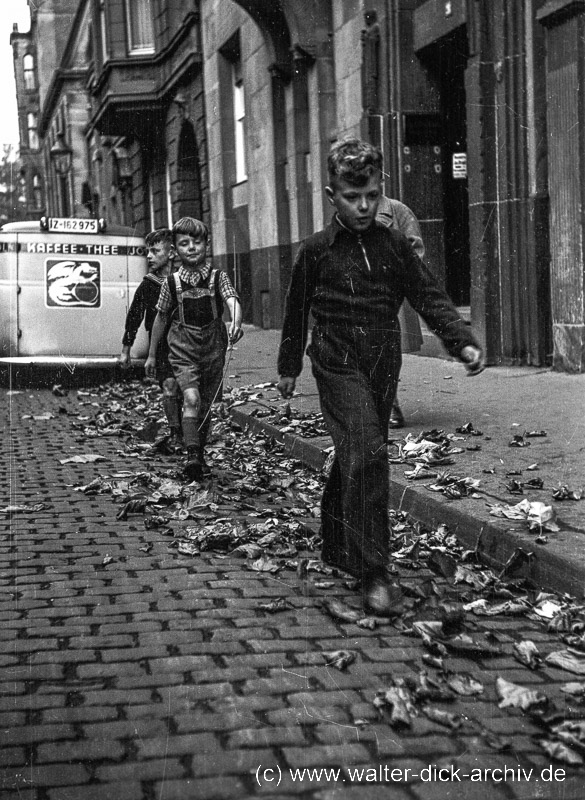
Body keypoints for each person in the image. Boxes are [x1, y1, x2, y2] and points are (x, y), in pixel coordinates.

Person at [277, 138, 484, 616]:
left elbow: (428, 295)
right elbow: (295, 311)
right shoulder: (316, 251)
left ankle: (336, 543)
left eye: (371, 194)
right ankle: (374, 572)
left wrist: (461, 340)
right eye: (353, 198)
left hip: (382, 356)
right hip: (334, 358)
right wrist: (288, 367)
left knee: (357, 449)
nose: (365, 206)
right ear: (332, 197)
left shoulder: (393, 245)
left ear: (380, 188)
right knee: (368, 448)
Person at [145, 217, 243, 481]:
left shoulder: (217, 278)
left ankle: (198, 450)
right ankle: (192, 455)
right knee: (191, 399)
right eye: (184, 243)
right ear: (175, 250)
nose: (191, 248)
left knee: (206, 405)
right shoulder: (171, 283)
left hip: (212, 350)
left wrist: (235, 320)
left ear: (206, 244)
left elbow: (231, 299)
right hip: (183, 350)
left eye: (197, 242)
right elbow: (161, 318)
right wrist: (152, 354)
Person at [119, 228, 182, 449]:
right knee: (169, 387)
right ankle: (176, 433)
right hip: (163, 347)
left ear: (172, 252)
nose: (149, 256)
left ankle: (190, 433)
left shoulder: (184, 280)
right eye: (148, 251)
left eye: (155, 251)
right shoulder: (149, 284)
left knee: (188, 392)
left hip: (188, 345)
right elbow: (134, 315)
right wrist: (126, 349)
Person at [376, 195, 425, 429]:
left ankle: (389, 404)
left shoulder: (397, 211)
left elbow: (416, 251)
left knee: (386, 351)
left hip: (391, 294)